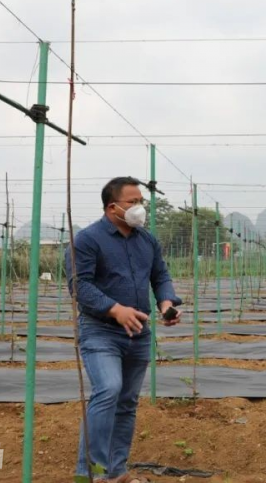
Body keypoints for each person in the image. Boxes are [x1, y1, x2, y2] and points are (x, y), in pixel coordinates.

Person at [67, 177, 182, 483]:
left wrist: (165, 304)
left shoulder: (147, 240)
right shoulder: (88, 239)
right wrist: (115, 310)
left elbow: (160, 276)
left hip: (139, 333)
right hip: (101, 331)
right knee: (108, 391)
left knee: (127, 402)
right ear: (112, 206)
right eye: (133, 202)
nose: (139, 208)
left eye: (141, 201)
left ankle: (117, 470)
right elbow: (80, 286)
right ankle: (93, 474)